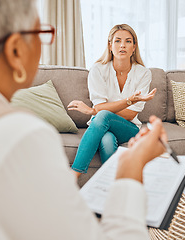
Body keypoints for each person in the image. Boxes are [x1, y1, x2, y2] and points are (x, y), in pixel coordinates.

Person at [0, 1, 166, 239]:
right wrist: (131, 166)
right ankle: (99, 184)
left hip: (124, 125)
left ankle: (79, 177)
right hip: (106, 127)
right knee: (105, 137)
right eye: (42, 34)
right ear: (16, 51)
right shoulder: (20, 135)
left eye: (128, 41)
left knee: (103, 119)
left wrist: (98, 110)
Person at [67, 24, 157, 177]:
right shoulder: (98, 69)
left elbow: (129, 115)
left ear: (134, 47)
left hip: (128, 128)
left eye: (128, 41)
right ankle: (114, 185)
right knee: (107, 139)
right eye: (117, 41)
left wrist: (94, 111)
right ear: (110, 45)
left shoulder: (143, 73)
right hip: (100, 127)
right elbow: (101, 106)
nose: (122, 45)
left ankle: (73, 175)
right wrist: (127, 101)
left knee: (102, 116)